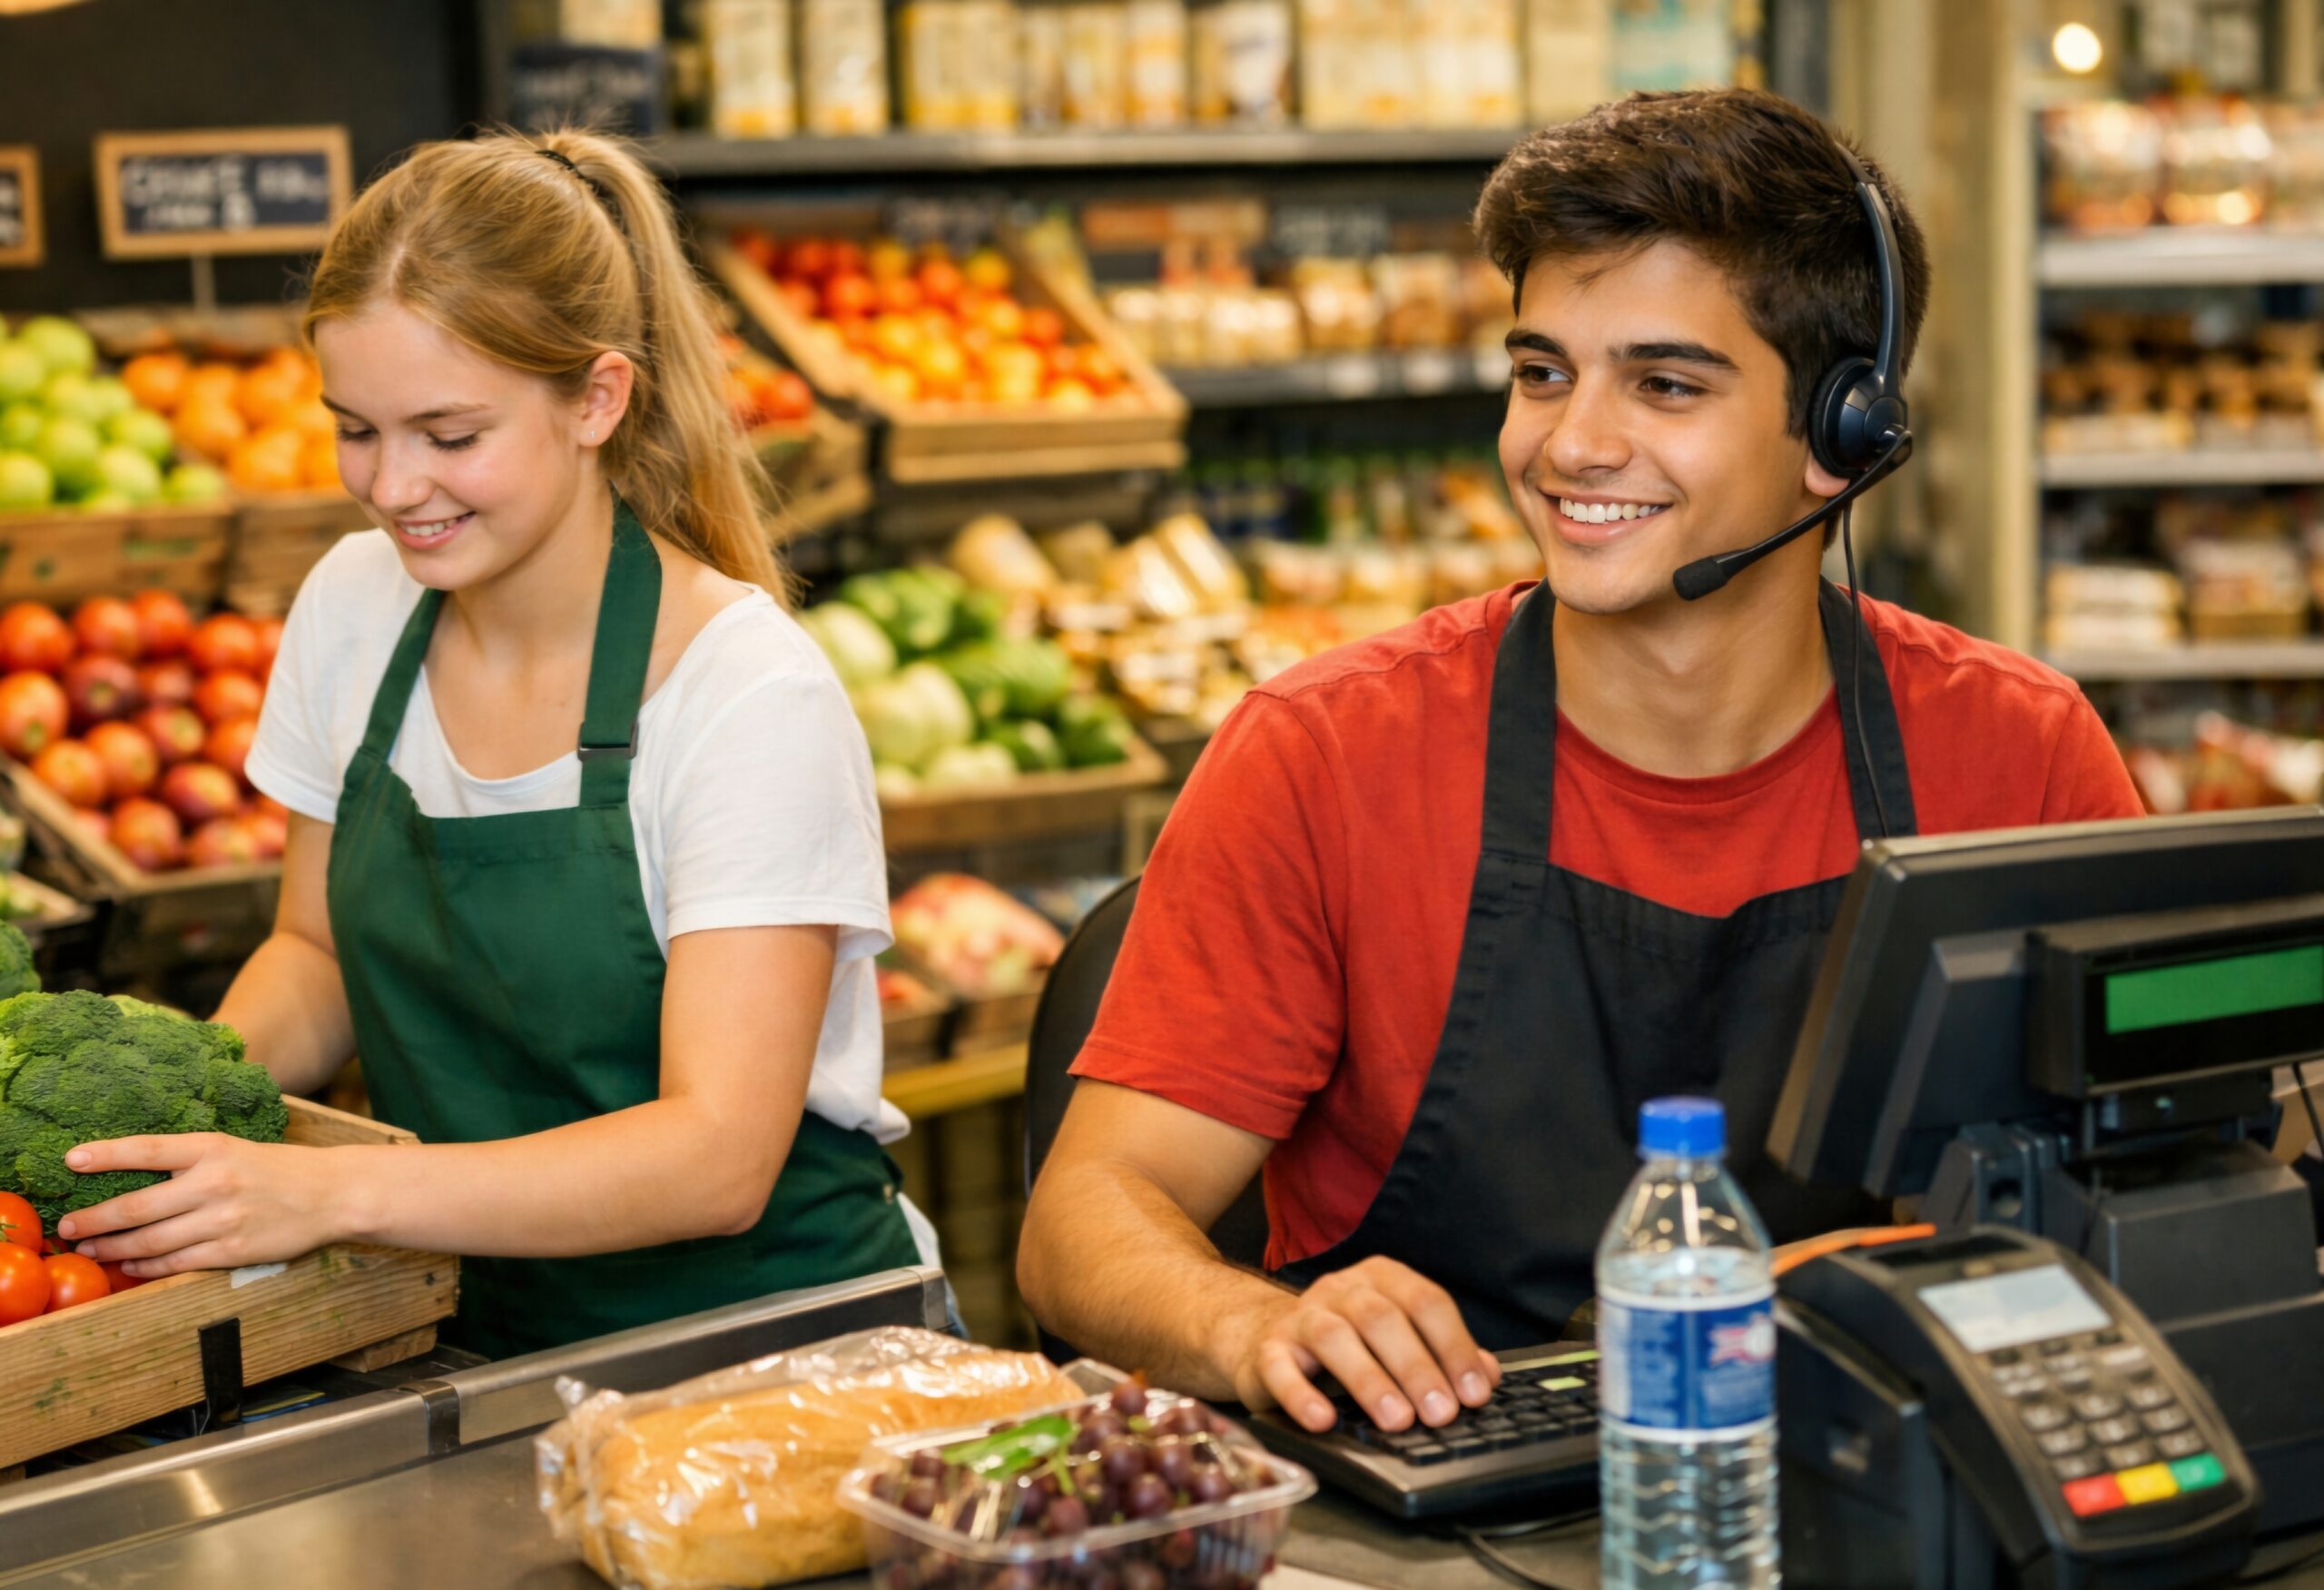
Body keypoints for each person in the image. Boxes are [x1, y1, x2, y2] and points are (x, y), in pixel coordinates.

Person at [1018, 90, 2145, 1437]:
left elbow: (2161, 1166)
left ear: (1845, 435)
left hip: (1852, 1465)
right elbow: (1084, 1216)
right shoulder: (1324, 753)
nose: (1568, 445)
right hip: (1423, 1490)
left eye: (1664, 385)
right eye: (1543, 372)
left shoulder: (2019, 753)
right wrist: (1252, 1322)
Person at [52, 130, 925, 1358]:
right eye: (356, 429)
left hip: (778, 1349)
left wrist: (333, 1191)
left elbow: (717, 1157)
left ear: (597, 400)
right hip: (472, 1326)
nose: (393, 486)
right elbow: (315, 950)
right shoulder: (353, 607)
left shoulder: (744, 691)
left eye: (450, 436)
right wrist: (182, 1115)